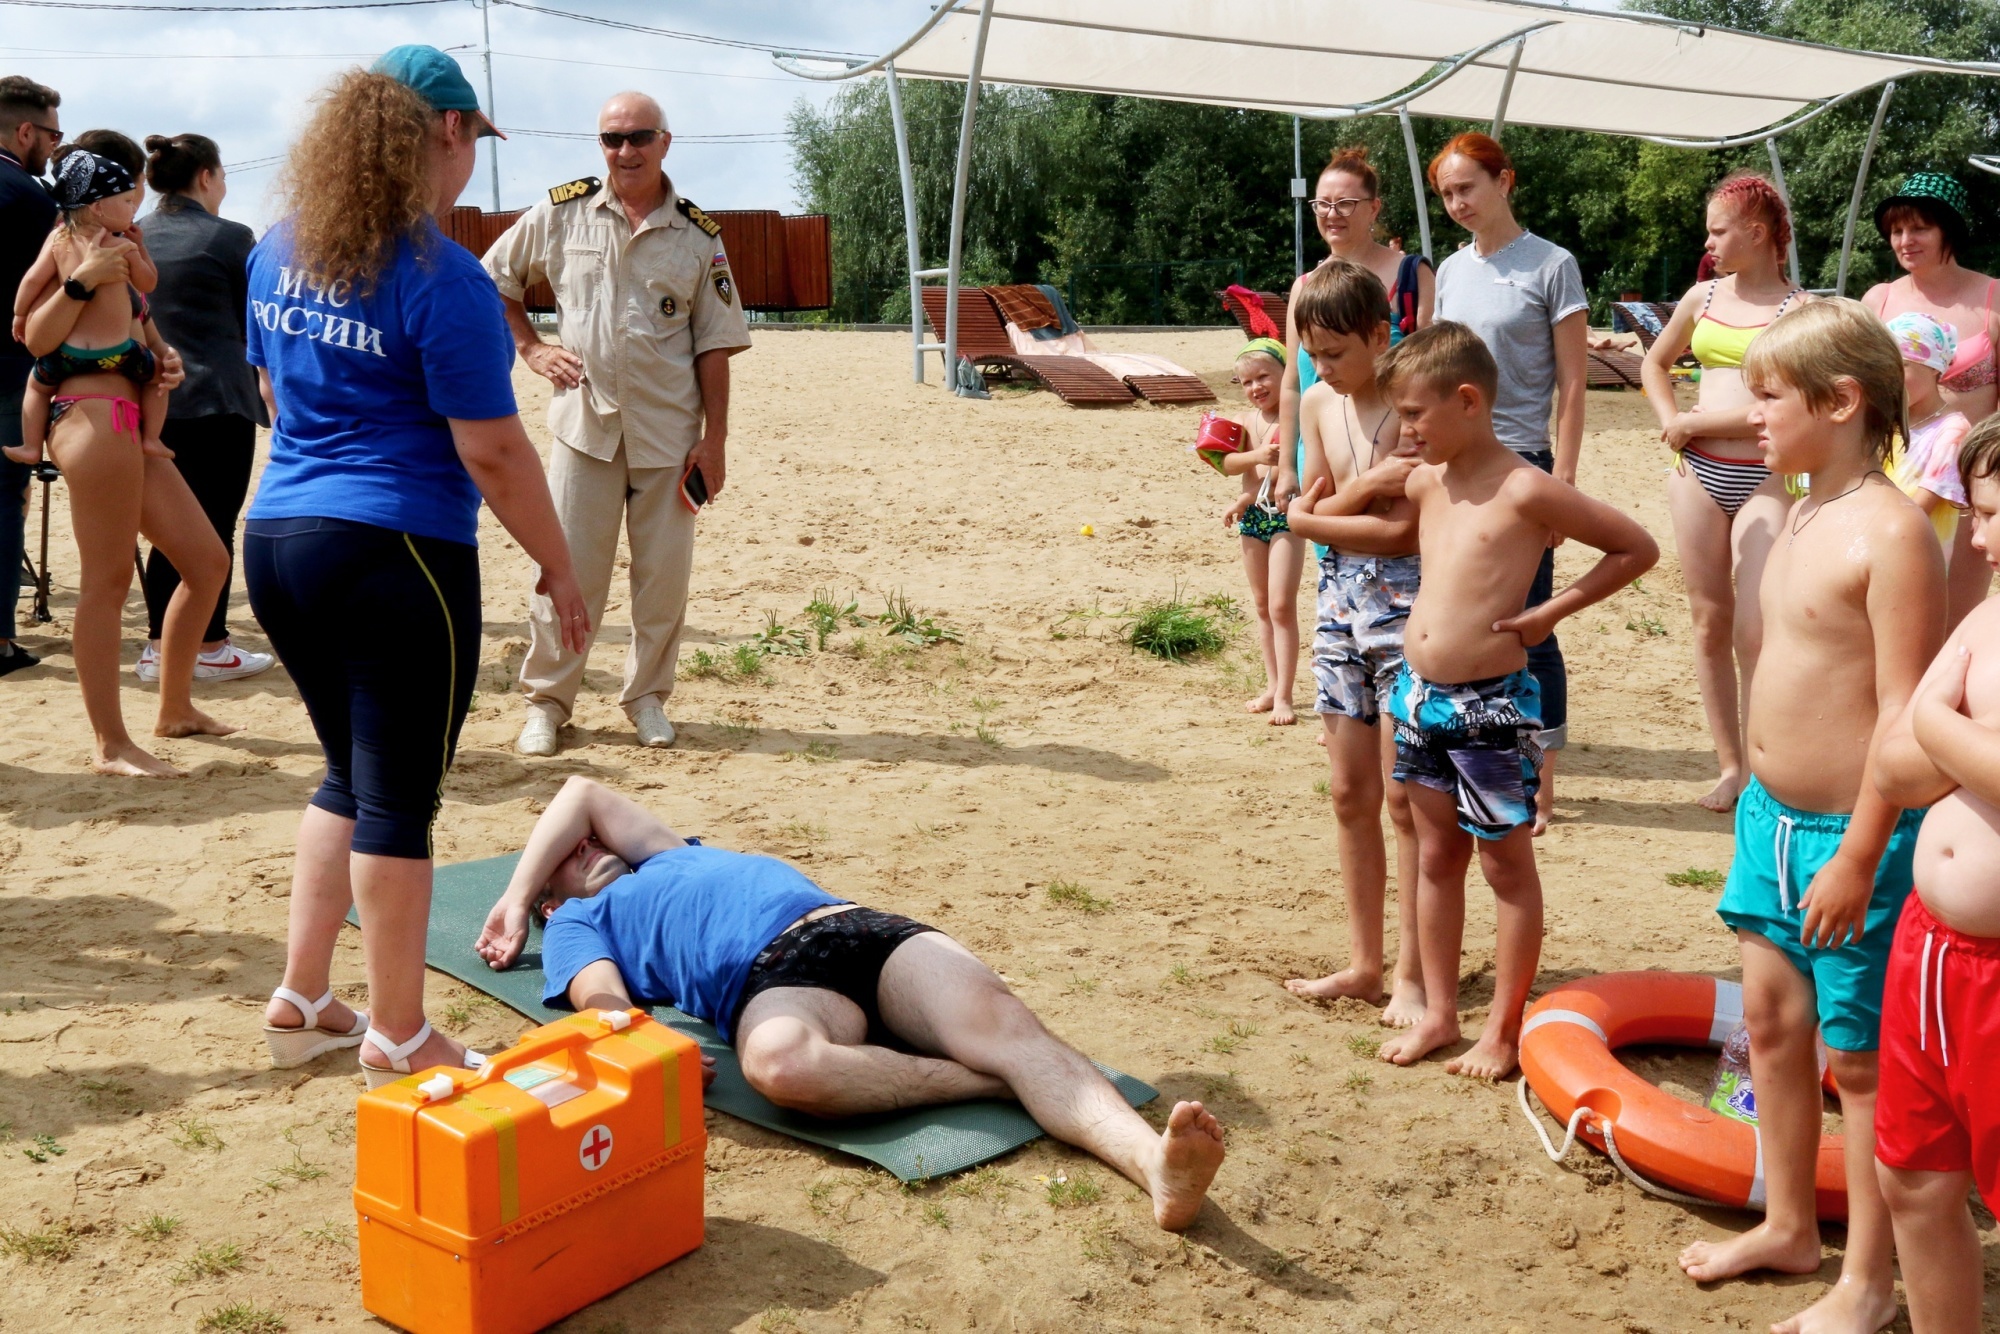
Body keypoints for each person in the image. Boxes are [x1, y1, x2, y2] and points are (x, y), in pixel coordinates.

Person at [245, 47, 589, 1083]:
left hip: (279, 538)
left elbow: (271, 392)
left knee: (346, 775)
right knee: (397, 796)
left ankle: (306, 990)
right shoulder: (440, 276)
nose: (471, 169)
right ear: (443, 134)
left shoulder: (274, 248)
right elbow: (492, 447)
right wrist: (560, 567)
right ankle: (398, 1027)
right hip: (394, 551)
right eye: (473, 144)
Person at [472, 775, 1228, 1232]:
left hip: (856, 926)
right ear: (549, 906)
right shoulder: (579, 919)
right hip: (773, 979)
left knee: (1004, 1024)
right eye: (563, 864)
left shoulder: (669, 852)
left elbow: (581, 795)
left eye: (575, 843)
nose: (581, 847)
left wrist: (516, 889)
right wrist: (645, 1044)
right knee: (779, 1066)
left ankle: (1151, 1166)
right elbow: (601, 1005)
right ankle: (997, 1081)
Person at [1675, 301, 1943, 1334]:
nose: (1748, 414)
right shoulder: (1794, 507)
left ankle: (1868, 1282)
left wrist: (1863, 850)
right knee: (1775, 1032)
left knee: (1862, 1066)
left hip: (1852, 846)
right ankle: (1789, 1220)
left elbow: (1899, 716)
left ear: (1838, 403)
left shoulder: (1891, 533)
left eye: (1766, 395)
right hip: (1768, 823)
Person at [1372, 322, 1656, 1077]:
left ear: (1468, 401)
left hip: (1492, 709)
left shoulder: (1527, 487)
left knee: (1505, 869)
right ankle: (1438, 1013)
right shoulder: (1427, 480)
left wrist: (1551, 612)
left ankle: (1500, 1029)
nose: (1405, 429)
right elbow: (1365, 509)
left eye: (1414, 413)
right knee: (1435, 858)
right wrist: (1289, 511)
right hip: (1420, 699)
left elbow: (1636, 548)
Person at [484, 91, 752, 757]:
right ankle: (547, 702)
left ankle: (647, 699)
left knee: (662, 580)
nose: (624, 151)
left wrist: (714, 441)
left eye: (638, 137)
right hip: (585, 428)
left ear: (665, 142)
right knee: (564, 572)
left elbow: (715, 346)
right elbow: (493, 280)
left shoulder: (697, 236)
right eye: (611, 139)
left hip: (669, 437)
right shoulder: (562, 212)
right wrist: (531, 348)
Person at [17, 146, 227, 777]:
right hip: (91, 417)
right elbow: (35, 339)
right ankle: (111, 743)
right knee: (106, 584)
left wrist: (164, 358)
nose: (137, 206)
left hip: (128, 419)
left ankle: (175, 708)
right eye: (127, 195)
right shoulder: (70, 247)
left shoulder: (122, 252)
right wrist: (85, 279)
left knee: (206, 561)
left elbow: (143, 319)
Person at [1873, 416, 2000, 1334]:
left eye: (1994, 515)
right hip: (1931, 953)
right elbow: (1896, 767)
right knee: (1914, 1178)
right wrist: (1956, 742)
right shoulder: (1990, 612)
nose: (1980, 537)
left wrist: (1938, 722)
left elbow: (1924, 732)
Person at [1277, 260, 1425, 1024]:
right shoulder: (1313, 402)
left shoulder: (1408, 406)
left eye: (1337, 353)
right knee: (1349, 793)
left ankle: (1411, 970)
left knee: (1405, 799)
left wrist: (1316, 515)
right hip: (1338, 603)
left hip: (1407, 611)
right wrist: (1352, 495)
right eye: (1314, 355)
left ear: (1379, 333)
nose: (1326, 369)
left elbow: (1401, 527)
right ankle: (1364, 962)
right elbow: (1311, 501)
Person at [1429, 132, 1589, 836]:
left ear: (1505, 182)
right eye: (1446, 194)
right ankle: (1467, 752)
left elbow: (1575, 387)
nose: (1458, 203)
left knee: (1528, 624)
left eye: (1467, 188)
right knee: (1464, 611)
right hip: (1453, 466)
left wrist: (1567, 485)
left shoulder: (1552, 266)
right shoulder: (1452, 272)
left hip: (1522, 459)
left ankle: (1540, 781)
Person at [1638, 173, 1807, 815]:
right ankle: (1732, 766)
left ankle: (1770, 762)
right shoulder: (1702, 296)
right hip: (1696, 472)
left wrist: (1695, 421)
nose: (1707, 242)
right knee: (1709, 620)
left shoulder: (1801, 310)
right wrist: (1668, 421)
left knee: (1756, 626)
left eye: (1717, 230)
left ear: (1757, 233)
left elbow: (1789, 405)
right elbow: (1657, 362)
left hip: (1766, 474)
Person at [132, 133, 272, 684]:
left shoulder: (135, 234)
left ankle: (158, 646)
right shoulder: (230, 237)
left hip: (145, 401)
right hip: (216, 400)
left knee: (167, 530)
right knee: (212, 527)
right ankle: (207, 644)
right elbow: (256, 318)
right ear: (207, 177)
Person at [1866, 172, 1997, 631]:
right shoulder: (1877, 301)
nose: (1905, 240)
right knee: (1886, 625)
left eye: (1919, 228)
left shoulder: (1992, 300)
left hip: (1968, 491)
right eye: (1897, 230)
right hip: (1889, 477)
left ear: (1949, 229)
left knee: (1952, 624)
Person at [1276, 144, 1433, 527]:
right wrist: (1285, 468)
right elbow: (1293, 383)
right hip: (1319, 451)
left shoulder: (1410, 275)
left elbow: (1431, 372)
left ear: (1374, 208)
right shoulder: (1305, 286)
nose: (1332, 214)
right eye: (1322, 204)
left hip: (1388, 449)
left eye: (1345, 203)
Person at [9, 148, 175, 465]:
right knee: (159, 377)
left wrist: (19, 315)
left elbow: (31, 280)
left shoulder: (57, 240)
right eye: (127, 201)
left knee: (37, 387)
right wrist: (139, 247)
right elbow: (148, 283)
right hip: (117, 353)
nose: (133, 207)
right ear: (99, 207)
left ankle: (31, 446)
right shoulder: (120, 246)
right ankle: (152, 438)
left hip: (66, 356)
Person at [0, 75, 60, 680]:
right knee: (2, 497)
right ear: (25, 132)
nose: (53, 145)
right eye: (51, 133)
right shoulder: (30, 198)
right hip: (10, 367)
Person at [1216, 338, 1303, 724]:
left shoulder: (1297, 415)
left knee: (1282, 605)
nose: (1256, 388)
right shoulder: (1248, 423)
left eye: (1264, 377)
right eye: (1246, 382)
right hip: (1255, 518)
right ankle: (1271, 686)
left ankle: (1285, 693)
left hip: (1286, 516)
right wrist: (1241, 501)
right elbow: (1235, 468)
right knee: (1262, 605)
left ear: (1285, 375)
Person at [1884, 311, 1971, 556]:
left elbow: (1921, 506)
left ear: (1934, 368)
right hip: (1874, 547)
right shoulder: (1885, 422)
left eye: (1903, 366)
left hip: (1916, 558)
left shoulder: (1952, 431)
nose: (1893, 378)